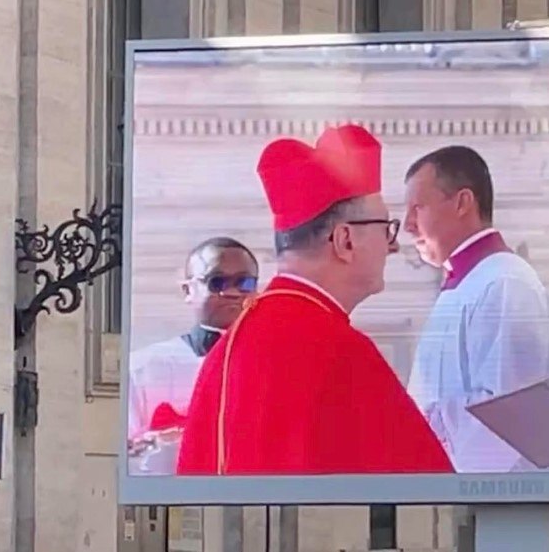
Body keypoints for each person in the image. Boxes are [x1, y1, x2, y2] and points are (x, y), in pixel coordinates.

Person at [176, 126, 454, 475]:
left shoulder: (230, 347)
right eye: (386, 229)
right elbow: (431, 493)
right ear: (345, 241)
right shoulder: (341, 351)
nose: (393, 245)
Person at [403, 146, 549, 473]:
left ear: (463, 202)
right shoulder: (468, 283)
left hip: (498, 499)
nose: (407, 225)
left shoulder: (505, 281)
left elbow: (509, 412)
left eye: (417, 208)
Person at [126, 237, 259, 475]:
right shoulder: (143, 369)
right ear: (188, 290)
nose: (231, 293)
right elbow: (127, 461)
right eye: (216, 282)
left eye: (244, 283)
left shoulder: (277, 369)